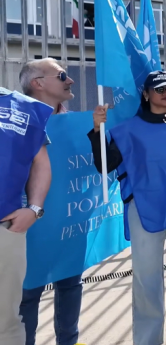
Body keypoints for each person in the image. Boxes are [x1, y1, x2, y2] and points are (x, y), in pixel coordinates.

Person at [88, 71, 166, 345]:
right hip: (144, 208)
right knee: (146, 276)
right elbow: (105, 165)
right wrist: (97, 131)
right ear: (146, 94)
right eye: (159, 89)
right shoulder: (125, 130)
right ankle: (147, 338)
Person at [16, 59, 83, 345]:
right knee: (28, 293)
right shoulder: (15, 121)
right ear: (38, 83)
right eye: (62, 75)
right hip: (29, 224)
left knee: (70, 283)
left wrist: (96, 131)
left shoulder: (75, 123)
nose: (70, 81)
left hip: (68, 221)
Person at [0, 86, 52, 345]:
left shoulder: (24, 108)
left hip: (6, 229)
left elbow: (40, 162)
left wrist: (34, 209)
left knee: (5, 319)